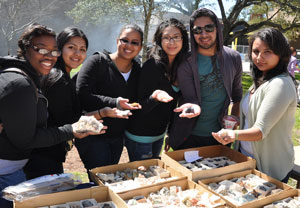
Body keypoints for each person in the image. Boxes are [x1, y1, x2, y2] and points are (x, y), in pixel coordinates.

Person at [0, 24, 103, 206]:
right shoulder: (23, 82)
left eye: (53, 51)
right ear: (25, 48)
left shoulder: (33, 77)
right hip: (9, 172)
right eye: (41, 49)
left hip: (19, 166)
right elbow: (26, 139)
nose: (49, 56)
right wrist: (73, 129)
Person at [23, 27, 131, 180]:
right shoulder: (57, 79)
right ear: (59, 48)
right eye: (71, 48)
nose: (77, 54)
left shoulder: (64, 76)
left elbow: (69, 118)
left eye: (82, 49)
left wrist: (104, 112)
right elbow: (68, 123)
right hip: (42, 154)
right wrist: (98, 116)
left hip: (50, 150)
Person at [212, 28, 297, 183]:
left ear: (281, 54)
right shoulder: (262, 79)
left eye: (267, 52)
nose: (259, 57)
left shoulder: (280, 84)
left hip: (269, 168)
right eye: (256, 51)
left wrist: (233, 135)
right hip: (246, 159)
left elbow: (260, 131)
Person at [168, 8, 243, 150]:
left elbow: (237, 94)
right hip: (187, 136)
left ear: (217, 28)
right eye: (197, 30)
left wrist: (234, 117)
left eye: (208, 28)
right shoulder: (185, 62)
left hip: (219, 135)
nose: (203, 34)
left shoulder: (233, 58)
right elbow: (190, 99)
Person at [125, 18, 199, 161]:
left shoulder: (182, 67)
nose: (171, 42)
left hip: (159, 134)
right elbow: (139, 106)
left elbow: (173, 106)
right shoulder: (152, 66)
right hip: (140, 136)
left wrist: (170, 133)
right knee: (144, 179)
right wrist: (155, 97)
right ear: (160, 41)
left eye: (176, 37)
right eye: (166, 37)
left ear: (183, 40)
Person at [76, 24, 143, 175]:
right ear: (117, 40)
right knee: (99, 180)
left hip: (117, 136)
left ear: (140, 46)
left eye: (134, 42)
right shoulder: (98, 61)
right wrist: (114, 102)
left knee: (110, 180)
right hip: (92, 133)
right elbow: (82, 93)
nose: (129, 45)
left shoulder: (137, 70)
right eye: (125, 40)